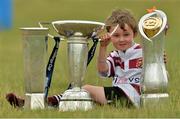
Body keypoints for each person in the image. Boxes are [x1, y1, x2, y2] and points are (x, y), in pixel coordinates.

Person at [6, 8, 166, 108]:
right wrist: (103, 48)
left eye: (126, 35)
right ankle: (41, 104)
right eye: (116, 35)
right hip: (118, 95)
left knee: (86, 89)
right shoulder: (115, 55)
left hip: (132, 97)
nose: (122, 39)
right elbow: (103, 72)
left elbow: (156, 66)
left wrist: (157, 59)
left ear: (135, 34)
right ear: (110, 35)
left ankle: (46, 102)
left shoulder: (141, 51)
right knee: (84, 100)